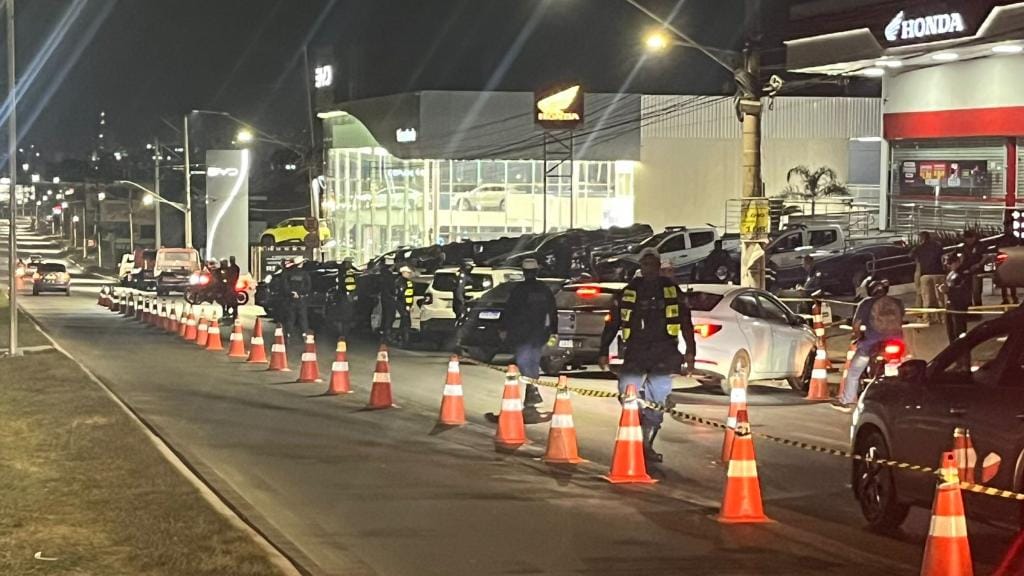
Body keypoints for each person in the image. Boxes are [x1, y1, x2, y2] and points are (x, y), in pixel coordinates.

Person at [599, 248, 696, 463]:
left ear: (659, 266)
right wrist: (603, 351)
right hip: (635, 353)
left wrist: (691, 353)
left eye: (653, 264)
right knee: (627, 394)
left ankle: (646, 445)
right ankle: (633, 437)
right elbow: (613, 322)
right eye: (645, 264)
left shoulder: (671, 290)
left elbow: (686, 323)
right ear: (640, 267)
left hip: (664, 353)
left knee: (657, 401)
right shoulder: (629, 291)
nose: (649, 269)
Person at [832, 278, 904, 413]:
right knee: (903, 367)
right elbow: (902, 317)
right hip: (897, 342)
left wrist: (857, 336)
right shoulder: (897, 302)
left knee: (853, 372)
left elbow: (857, 324)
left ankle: (846, 400)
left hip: (871, 343)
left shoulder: (865, 303)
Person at [500, 258, 557, 422]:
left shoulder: (519, 290)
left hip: (523, 334)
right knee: (532, 362)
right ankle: (531, 393)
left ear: (524, 272)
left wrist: (504, 329)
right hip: (538, 333)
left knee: (525, 362)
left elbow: (509, 310)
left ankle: (532, 391)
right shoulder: (543, 290)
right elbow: (552, 312)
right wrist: (553, 331)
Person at [910, 231, 945, 321]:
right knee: (940, 298)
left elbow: (911, 256)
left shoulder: (918, 248)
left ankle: (927, 318)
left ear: (922, 238)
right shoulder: (938, 246)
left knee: (927, 298)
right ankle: (943, 318)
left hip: (926, 275)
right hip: (939, 274)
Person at [944, 253, 972, 344]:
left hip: (959, 303)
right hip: (950, 302)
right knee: (950, 328)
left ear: (957, 262)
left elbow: (964, 288)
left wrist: (950, 289)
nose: (949, 266)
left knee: (959, 328)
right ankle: (952, 345)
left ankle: (960, 345)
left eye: (951, 263)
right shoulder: (951, 273)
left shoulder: (964, 273)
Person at [282, 256, 312, 342]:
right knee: (303, 317)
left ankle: (287, 335)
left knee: (290, 318)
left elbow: (284, 286)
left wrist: (292, 293)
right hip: (301, 299)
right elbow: (308, 287)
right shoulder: (305, 274)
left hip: (290, 299)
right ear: (301, 264)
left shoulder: (288, 274)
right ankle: (304, 334)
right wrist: (299, 293)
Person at [332, 257, 359, 338]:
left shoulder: (341, 271)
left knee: (342, 315)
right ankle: (344, 334)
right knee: (347, 316)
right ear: (347, 263)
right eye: (350, 263)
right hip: (346, 297)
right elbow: (349, 286)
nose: (351, 264)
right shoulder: (348, 272)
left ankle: (342, 333)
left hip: (341, 296)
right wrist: (351, 295)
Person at [392, 265, 415, 346]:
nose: (409, 274)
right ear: (403, 273)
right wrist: (407, 305)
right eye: (408, 273)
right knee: (405, 318)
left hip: (404, 303)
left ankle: (400, 336)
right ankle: (400, 336)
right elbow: (404, 295)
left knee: (405, 320)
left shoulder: (404, 281)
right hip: (402, 303)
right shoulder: (401, 282)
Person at [378, 257, 398, 341]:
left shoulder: (383, 274)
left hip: (385, 297)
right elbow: (389, 287)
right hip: (389, 298)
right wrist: (392, 295)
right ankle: (386, 334)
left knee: (386, 315)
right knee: (389, 316)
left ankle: (384, 333)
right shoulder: (388, 275)